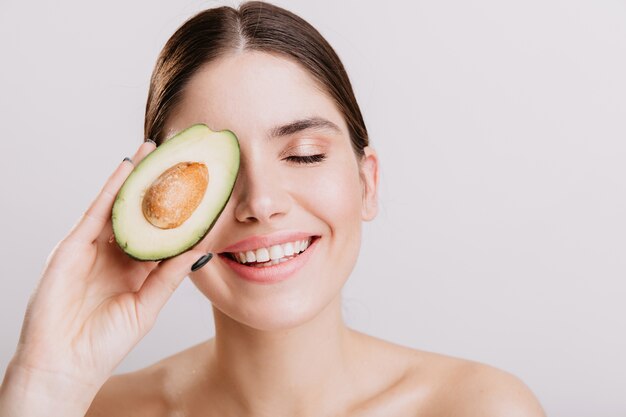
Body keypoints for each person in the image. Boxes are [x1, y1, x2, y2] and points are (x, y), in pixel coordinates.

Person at [0, 2, 546, 416]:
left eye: (304, 155)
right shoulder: (88, 409)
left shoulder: (481, 407)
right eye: (214, 174)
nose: (260, 203)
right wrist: (43, 380)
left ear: (367, 181)